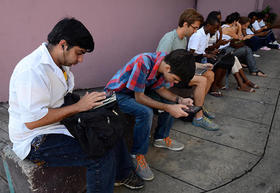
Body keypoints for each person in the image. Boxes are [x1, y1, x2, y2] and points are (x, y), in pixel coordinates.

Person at [8, 18, 143, 193]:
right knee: (99, 155)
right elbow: (32, 122)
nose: (81, 60)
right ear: (63, 44)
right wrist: (79, 107)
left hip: (58, 123)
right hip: (34, 139)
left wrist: (88, 104)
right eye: (79, 53)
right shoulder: (32, 70)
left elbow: (60, 98)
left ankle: (121, 175)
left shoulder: (60, 62)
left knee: (108, 128)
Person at [105, 49, 196, 181]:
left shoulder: (164, 64)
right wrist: (169, 108)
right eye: (175, 79)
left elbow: (160, 89)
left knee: (170, 101)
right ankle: (137, 155)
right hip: (117, 94)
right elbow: (140, 98)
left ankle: (161, 138)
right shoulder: (143, 62)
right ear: (168, 68)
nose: (175, 83)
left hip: (137, 92)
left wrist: (179, 100)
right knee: (145, 112)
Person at [156, 8, 218, 131]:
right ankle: (198, 118)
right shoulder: (169, 38)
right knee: (202, 81)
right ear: (185, 24)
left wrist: (202, 66)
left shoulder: (183, 39)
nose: (195, 32)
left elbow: (184, 63)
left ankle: (198, 106)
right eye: (194, 28)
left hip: (179, 73)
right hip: (169, 78)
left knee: (209, 74)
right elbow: (160, 65)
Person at [207, 12, 259, 92]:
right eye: (218, 19)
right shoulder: (225, 28)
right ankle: (244, 81)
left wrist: (220, 36)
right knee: (244, 50)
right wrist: (239, 27)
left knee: (234, 58)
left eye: (220, 19)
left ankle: (243, 82)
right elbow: (239, 38)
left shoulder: (218, 29)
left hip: (219, 50)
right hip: (221, 51)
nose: (220, 22)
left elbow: (218, 43)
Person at [221, 12, 267, 77]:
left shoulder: (228, 27)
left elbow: (237, 42)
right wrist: (240, 28)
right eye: (245, 26)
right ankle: (254, 70)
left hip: (227, 48)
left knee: (245, 47)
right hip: (224, 51)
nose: (245, 28)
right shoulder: (228, 29)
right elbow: (239, 39)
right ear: (235, 22)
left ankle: (246, 64)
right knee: (247, 49)